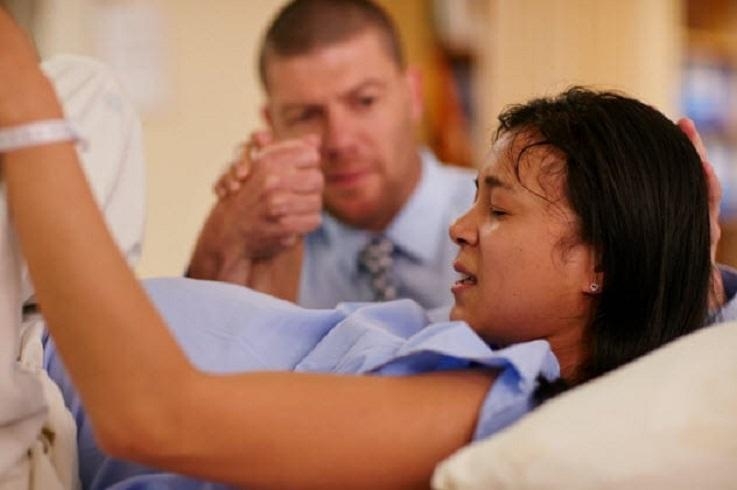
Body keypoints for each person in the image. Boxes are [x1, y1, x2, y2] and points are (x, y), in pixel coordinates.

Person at [0, 9, 730, 489]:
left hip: (40, 386)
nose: (461, 227)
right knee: (89, 92)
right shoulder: (488, 344)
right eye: (476, 198)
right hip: (54, 348)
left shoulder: (491, 403)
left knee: (70, 96)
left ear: (603, 263)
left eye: (499, 208)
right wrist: (692, 259)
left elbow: (151, 418)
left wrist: (28, 115)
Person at [186, 0, 476, 309]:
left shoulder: (496, 221)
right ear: (272, 126)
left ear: (413, 94)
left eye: (364, 101)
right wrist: (226, 239)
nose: (339, 141)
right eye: (305, 115)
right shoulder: (265, 248)